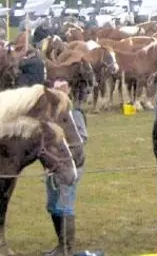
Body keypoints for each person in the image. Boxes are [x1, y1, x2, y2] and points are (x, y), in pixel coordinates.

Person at [45, 79, 87, 256]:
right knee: (52, 205)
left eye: (63, 88)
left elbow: (81, 138)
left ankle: (67, 247)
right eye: (56, 89)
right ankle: (60, 243)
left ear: (68, 90)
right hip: (53, 166)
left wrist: (64, 153)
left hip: (70, 165)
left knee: (65, 204)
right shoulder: (50, 115)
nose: (60, 92)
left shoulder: (74, 114)